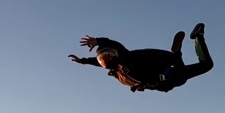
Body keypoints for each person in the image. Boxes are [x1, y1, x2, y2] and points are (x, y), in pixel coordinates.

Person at [68, 23, 213, 93]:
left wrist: (98, 41)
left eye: (107, 56)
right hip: (159, 78)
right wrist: (82, 61)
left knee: (182, 77)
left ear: (114, 54)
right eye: (102, 59)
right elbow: (97, 62)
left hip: (164, 72)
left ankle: (177, 53)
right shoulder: (115, 69)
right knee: (205, 65)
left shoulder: (124, 60)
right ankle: (197, 37)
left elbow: (116, 45)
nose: (105, 61)